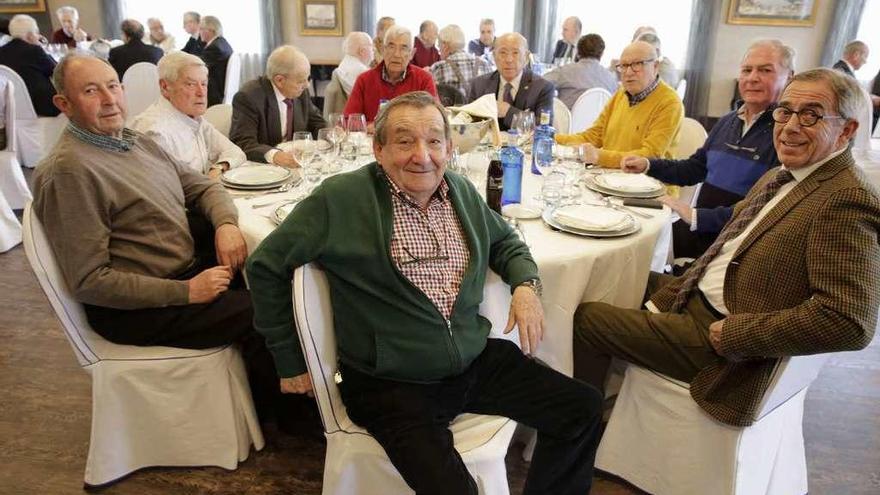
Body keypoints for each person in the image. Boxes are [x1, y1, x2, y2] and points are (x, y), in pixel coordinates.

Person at [246, 91, 603, 495]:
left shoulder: (460, 192)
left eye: (434, 141)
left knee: (581, 409)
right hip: (391, 384)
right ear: (378, 149)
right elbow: (265, 266)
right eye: (404, 141)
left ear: (450, 148)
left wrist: (525, 286)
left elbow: (508, 243)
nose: (422, 155)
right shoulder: (340, 199)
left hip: (471, 361)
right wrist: (289, 360)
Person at [574, 67, 880, 428]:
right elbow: (733, 229)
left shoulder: (845, 198)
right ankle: (609, 401)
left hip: (722, 337)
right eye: (784, 112)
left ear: (846, 129)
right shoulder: (786, 174)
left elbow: (850, 321)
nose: (791, 126)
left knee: (586, 318)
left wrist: (739, 335)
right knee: (606, 276)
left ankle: (577, 428)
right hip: (699, 294)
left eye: (811, 115)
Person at [30, 53, 295, 430]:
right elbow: (89, 281)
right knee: (265, 312)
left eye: (113, 86)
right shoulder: (70, 172)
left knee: (273, 269)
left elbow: (203, 187)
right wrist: (186, 292)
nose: (109, 100)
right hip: (140, 307)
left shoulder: (131, 140)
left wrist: (225, 225)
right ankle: (297, 419)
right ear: (64, 104)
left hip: (179, 268)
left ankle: (270, 389)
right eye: (91, 91)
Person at [621, 40, 793, 259]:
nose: (752, 78)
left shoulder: (786, 134)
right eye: (747, 70)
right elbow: (695, 168)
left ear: (789, 77)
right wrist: (647, 165)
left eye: (765, 70)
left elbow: (765, 207)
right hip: (702, 237)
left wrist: (695, 215)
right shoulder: (728, 121)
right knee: (634, 245)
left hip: (735, 248)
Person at [555, 41, 682, 168]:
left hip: (651, 183)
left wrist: (599, 156)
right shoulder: (621, 94)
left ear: (655, 66)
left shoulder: (669, 103)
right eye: (624, 66)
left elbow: (650, 155)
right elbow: (593, 136)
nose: (628, 72)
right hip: (611, 179)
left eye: (637, 64)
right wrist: (551, 138)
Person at [131, 51, 246, 178]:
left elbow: (235, 152)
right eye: (190, 84)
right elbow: (166, 190)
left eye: (204, 84)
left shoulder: (194, 118)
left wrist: (218, 167)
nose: (201, 93)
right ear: (165, 87)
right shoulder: (154, 132)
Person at [230, 45, 325, 165]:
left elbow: (316, 123)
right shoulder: (248, 97)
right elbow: (242, 142)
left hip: (297, 163)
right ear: (279, 80)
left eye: (308, 79)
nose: (307, 85)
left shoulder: (300, 91)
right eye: (301, 81)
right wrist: (274, 155)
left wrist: (331, 133)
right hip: (262, 168)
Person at [344, 25, 438, 125]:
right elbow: (347, 121)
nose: (396, 54)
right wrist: (372, 128)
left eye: (403, 48)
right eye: (391, 46)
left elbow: (434, 120)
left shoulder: (424, 79)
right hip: (373, 139)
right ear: (383, 50)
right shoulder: (364, 80)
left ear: (412, 54)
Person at [468, 33, 555, 131]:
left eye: (515, 53)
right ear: (494, 57)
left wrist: (508, 112)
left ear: (526, 58)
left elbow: (544, 128)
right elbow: (469, 123)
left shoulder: (542, 87)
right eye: (503, 53)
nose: (509, 60)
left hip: (524, 146)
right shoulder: (479, 84)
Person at [0, 15, 60, 117]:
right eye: (36, 33)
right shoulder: (34, 51)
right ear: (30, 35)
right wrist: (42, 49)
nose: (38, 36)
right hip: (44, 108)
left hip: (13, 111)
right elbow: (58, 72)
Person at [542, 33, 618, 109]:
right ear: (602, 54)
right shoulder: (611, 79)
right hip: (600, 120)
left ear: (577, 52)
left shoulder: (565, 71)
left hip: (570, 119)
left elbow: (540, 84)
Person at [430, 24, 491, 101]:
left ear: (445, 46)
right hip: (481, 112)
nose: (439, 52)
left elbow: (432, 100)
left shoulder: (438, 68)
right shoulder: (484, 64)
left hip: (453, 112)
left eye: (439, 47)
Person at [199, 15, 233, 106]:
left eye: (201, 29)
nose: (199, 32)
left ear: (211, 30)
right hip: (219, 90)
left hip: (213, 94)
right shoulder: (223, 43)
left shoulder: (214, 48)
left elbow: (199, 67)